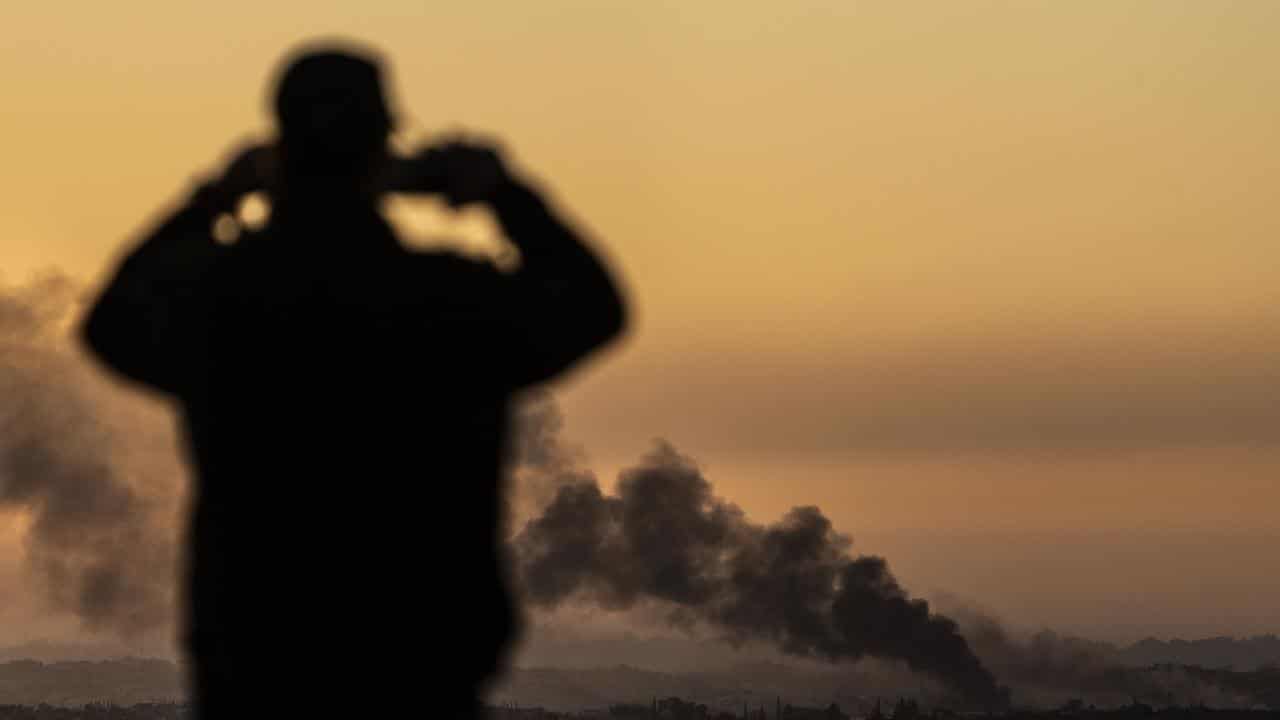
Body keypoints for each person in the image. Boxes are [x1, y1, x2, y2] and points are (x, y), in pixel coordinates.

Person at [81, 43, 627, 719]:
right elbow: (594, 305)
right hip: (419, 677)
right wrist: (503, 194)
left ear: (280, 155)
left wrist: (213, 199)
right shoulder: (447, 302)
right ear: (381, 153)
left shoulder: (224, 301)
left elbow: (111, 322)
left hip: (256, 675)